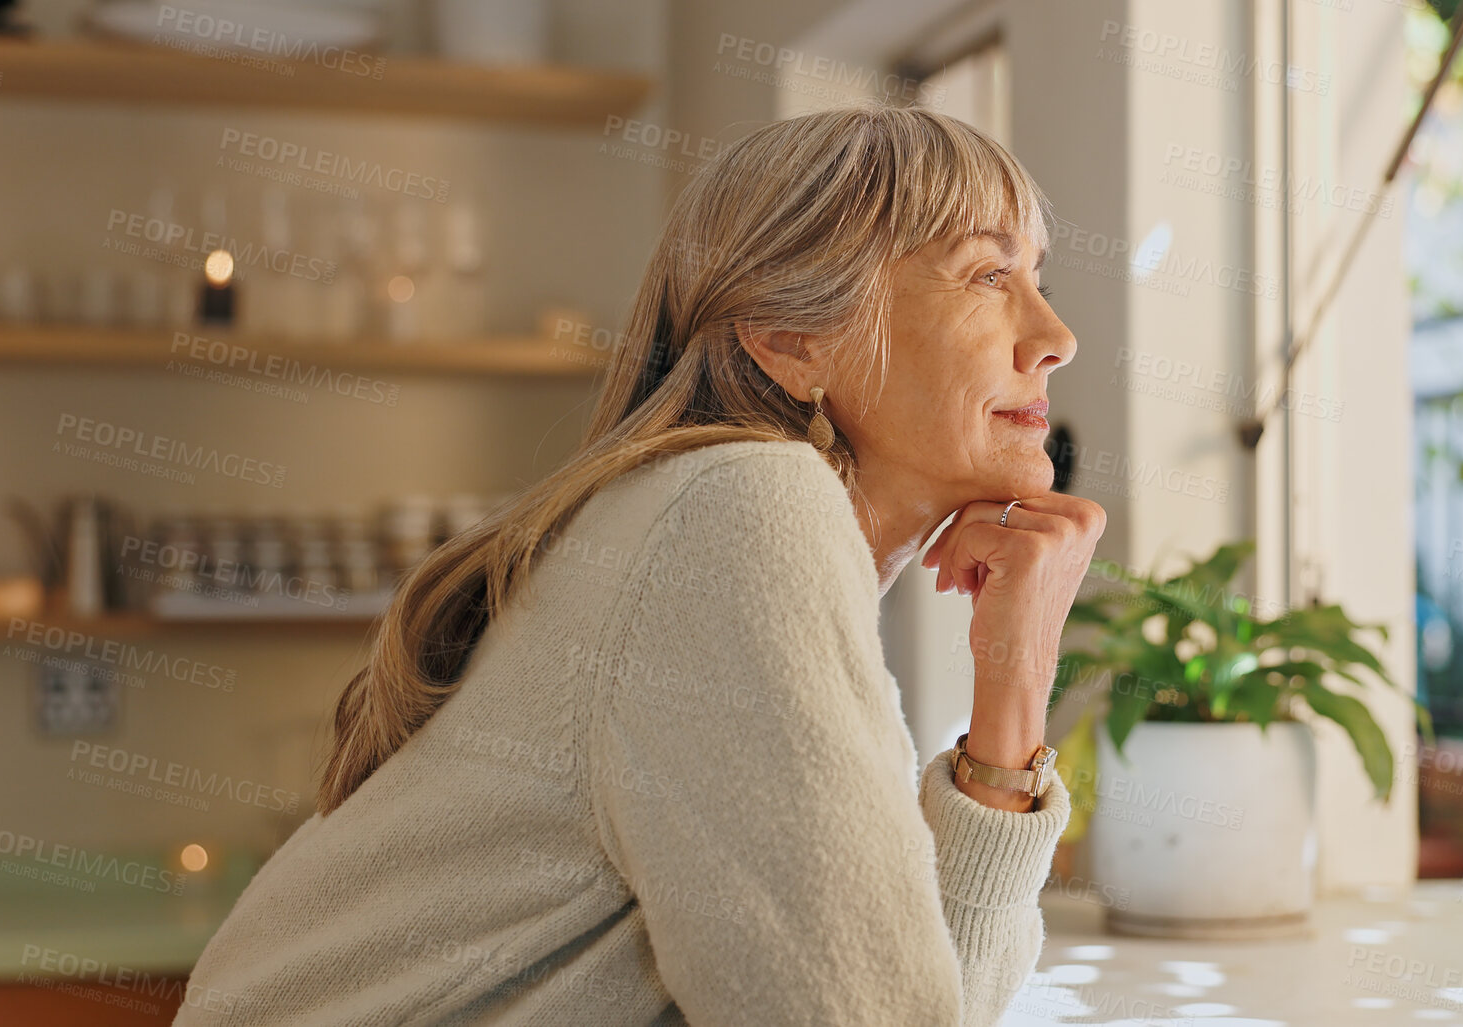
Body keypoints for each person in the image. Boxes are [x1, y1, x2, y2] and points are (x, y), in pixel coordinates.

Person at [176, 104, 1104, 1026]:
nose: (1054, 334)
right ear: (790, 340)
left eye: (1036, 277)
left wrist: (1013, 678)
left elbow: (929, 997)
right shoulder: (740, 502)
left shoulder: (714, 514)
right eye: (988, 274)